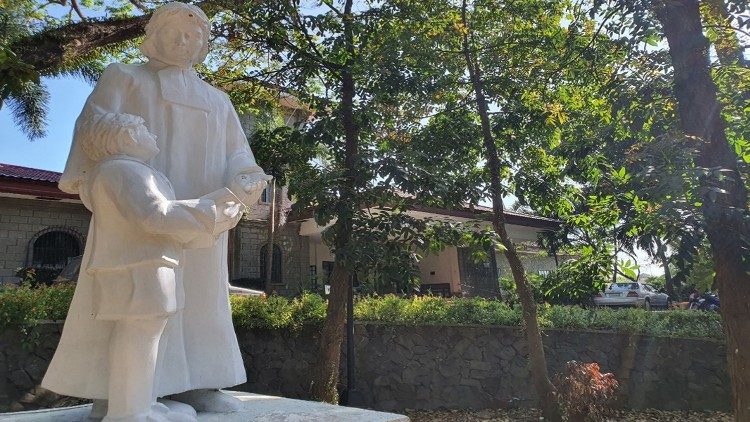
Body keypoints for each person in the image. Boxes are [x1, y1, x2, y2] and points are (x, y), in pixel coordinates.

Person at [42, 2, 270, 414]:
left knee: (202, 298)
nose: (183, 43)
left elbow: (238, 153)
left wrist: (245, 178)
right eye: (174, 34)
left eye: (193, 37)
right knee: (135, 309)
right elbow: (94, 132)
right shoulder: (124, 77)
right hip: (140, 212)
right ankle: (119, 395)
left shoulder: (217, 100)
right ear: (153, 35)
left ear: (204, 45)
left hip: (203, 217)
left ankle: (199, 381)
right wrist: (103, 185)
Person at [70, 112, 241, 421]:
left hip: (150, 265)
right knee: (139, 333)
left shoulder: (127, 171)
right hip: (137, 268)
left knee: (151, 332)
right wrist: (210, 212)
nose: (155, 137)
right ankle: (128, 411)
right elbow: (154, 215)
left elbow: (162, 222)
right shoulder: (122, 171)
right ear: (126, 138)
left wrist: (213, 219)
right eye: (145, 131)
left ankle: (142, 402)